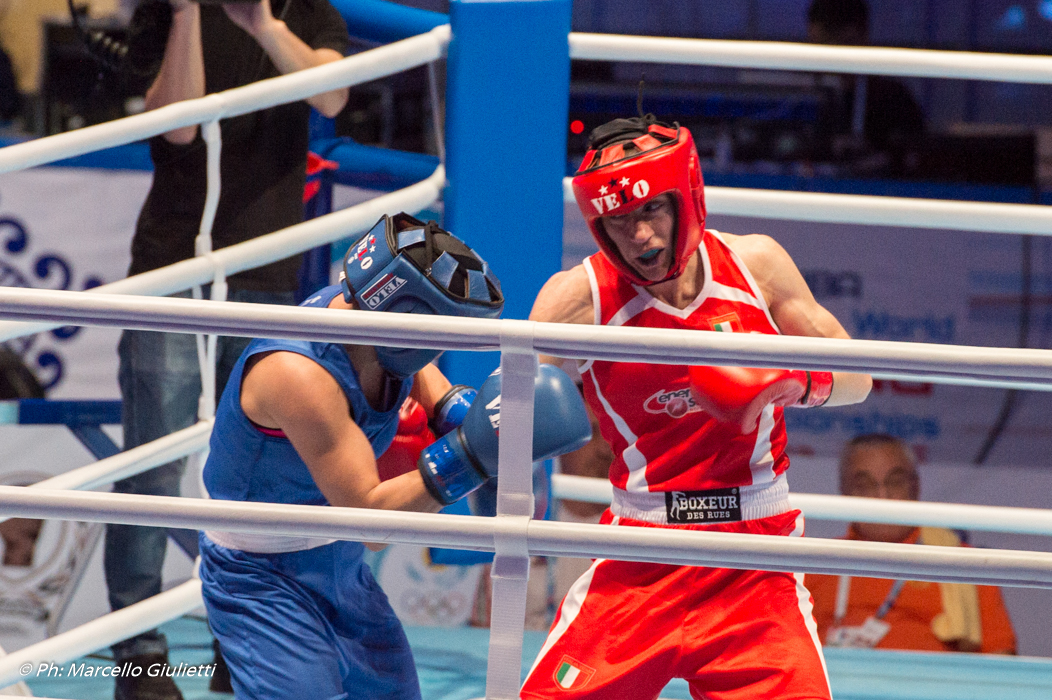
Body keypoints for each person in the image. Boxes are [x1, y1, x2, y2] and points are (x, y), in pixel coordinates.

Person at [521, 115, 873, 699]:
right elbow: (508, 414)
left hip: (754, 556)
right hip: (640, 553)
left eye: (650, 210)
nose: (638, 237)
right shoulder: (576, 300)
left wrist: (789, 381)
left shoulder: (754, 266)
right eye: (617, 220)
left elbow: (858, 376)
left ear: (686, 197)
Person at [198, 213, 590, 699]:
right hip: (262, 578)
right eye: (440, 332)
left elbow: (422, 376)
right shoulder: (298, 376)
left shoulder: (376, 327)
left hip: (338, 560)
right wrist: (470, 453)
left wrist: (460, 415)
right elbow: (371, 522)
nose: (446, 348)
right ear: (407, 318)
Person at [108, 1, 349, 697]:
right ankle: (140, 658)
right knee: (152, 468)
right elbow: (178, 127)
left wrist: (263, 26)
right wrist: (188, 15)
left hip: (265, 275)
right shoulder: (166, 9)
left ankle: (238, 639)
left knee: (256, 479)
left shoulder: (307, 9)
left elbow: (333, 95)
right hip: (173, 269)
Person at [806, 434, 1017, 654]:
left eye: (895, 482)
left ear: (916, 486)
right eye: (865, 485)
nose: (882, 497)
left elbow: (1001, 658)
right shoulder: (817, 565)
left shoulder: (964, 564)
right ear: (844, 492)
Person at [807, 0, 925, 155]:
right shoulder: (799, 96)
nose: (834, 56)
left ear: (863, 38)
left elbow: (913, 157)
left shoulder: (893, 99)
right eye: (821, 44)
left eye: (845, 43)